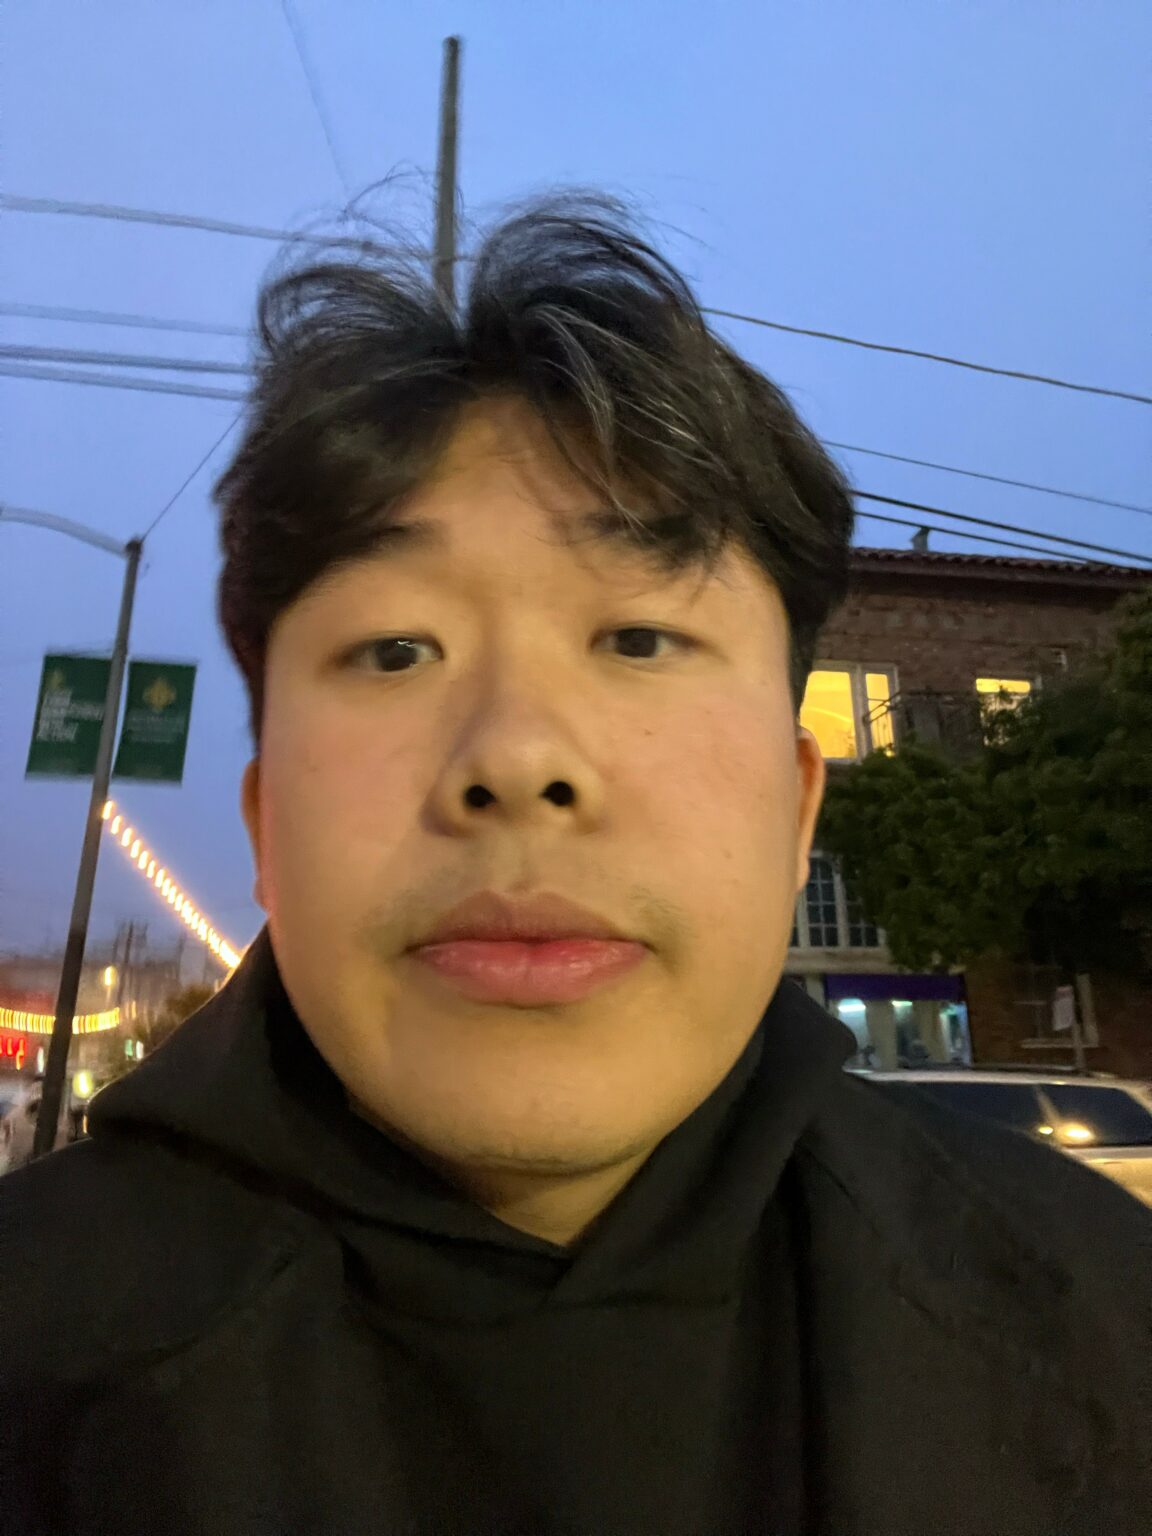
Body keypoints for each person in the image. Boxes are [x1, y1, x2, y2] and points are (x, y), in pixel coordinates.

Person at [1, 197, 1148, 1535]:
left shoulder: (1110, 1313)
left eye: (640, 640)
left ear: (796, 813)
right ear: (266, 829)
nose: (518, 757)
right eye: (394, 650)